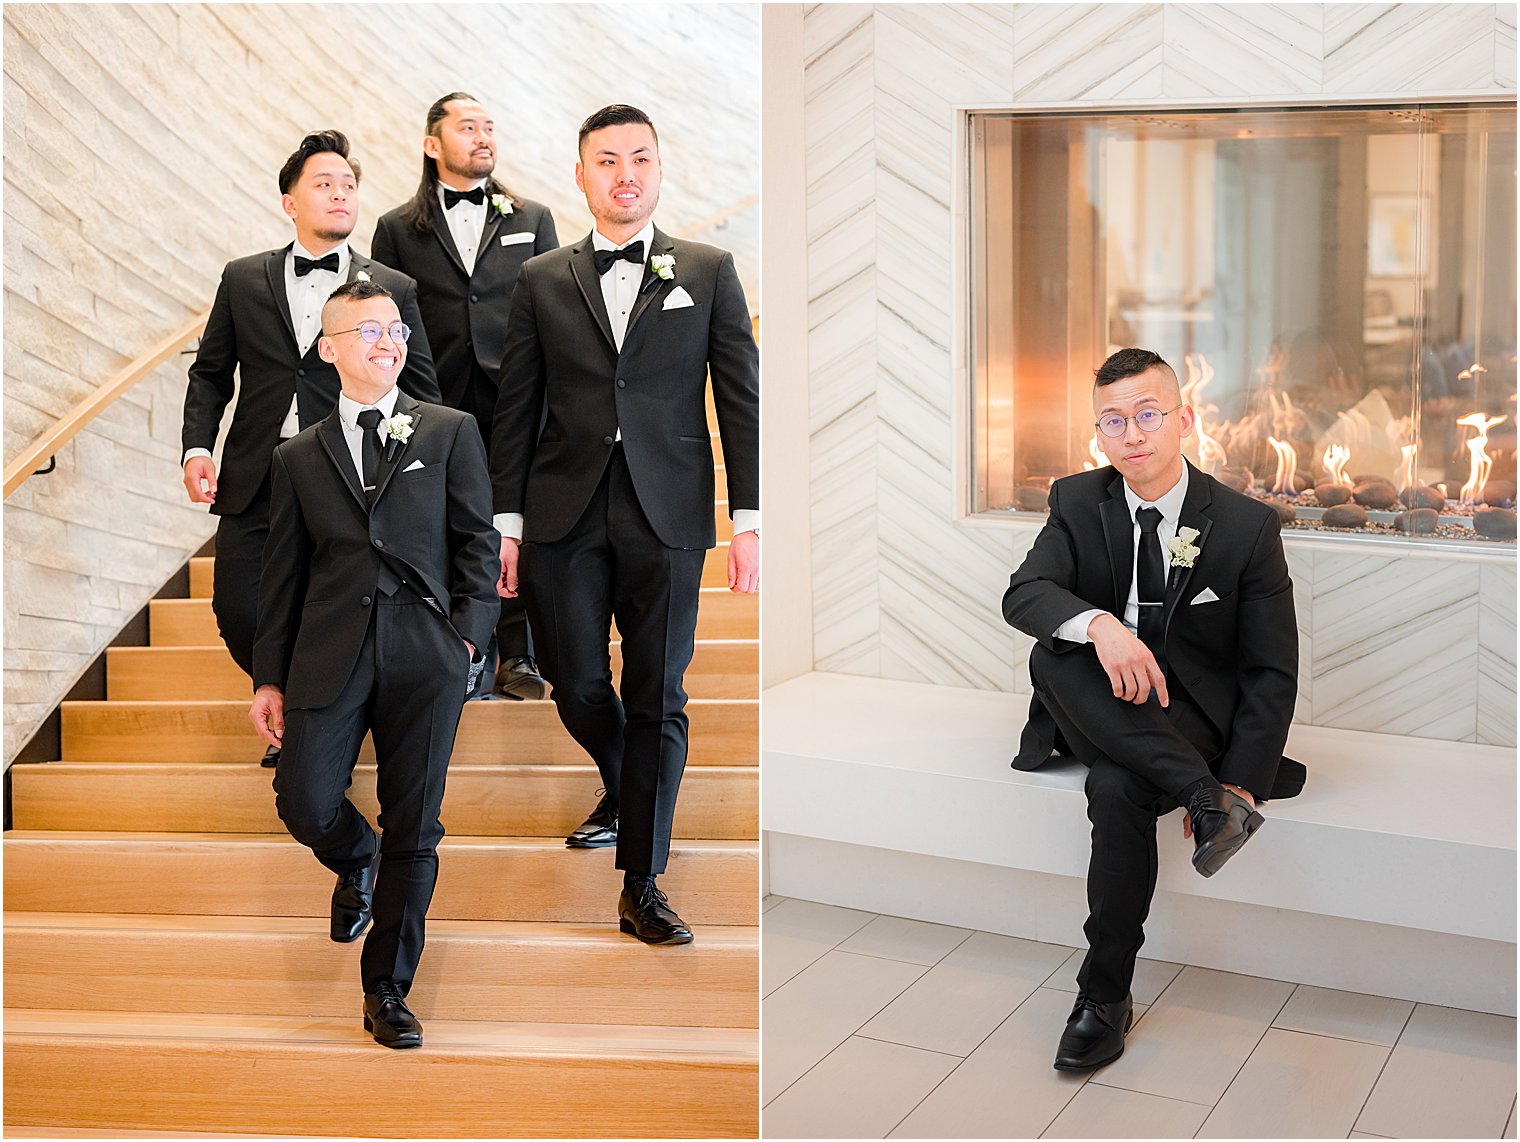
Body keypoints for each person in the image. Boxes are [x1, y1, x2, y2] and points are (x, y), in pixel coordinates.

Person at [491, 104, 759, 942]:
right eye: (606, 161)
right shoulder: (541, 279)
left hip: (668, 511)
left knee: (659, 694)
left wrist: (748, 516)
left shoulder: (708, 269)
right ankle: (626, 776)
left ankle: (642, 882)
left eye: (639, 157)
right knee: (574, 682)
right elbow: (517, 406)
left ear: (659, 168)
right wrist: (506, 521)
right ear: (581, 176)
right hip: (562, 511)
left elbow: (741, 399)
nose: (624, 174)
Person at [1002, 347, 1303, 1071]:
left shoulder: (1243, 526)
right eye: (1114, 421)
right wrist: (1104, 628)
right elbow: (1024, 594)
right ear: (1099, 433)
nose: (1132, 434)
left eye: (1146, 415)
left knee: (1115, 785)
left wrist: (1244, 778)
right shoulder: (1077, 501)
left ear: (1183, 419)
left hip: (1192, 715)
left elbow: (1270, 671)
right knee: (1053, 653)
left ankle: (1102, 995)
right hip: (1101, 698)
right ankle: (1201, 802)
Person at [248, 280, 499, 1049]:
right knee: (304, 801)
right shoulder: (297, 456)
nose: (387, 342)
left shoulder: (450, 430)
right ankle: (354, 857)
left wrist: (467, 639)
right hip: (329, 654)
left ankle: (387, 988)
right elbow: (284, 576)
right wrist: (269, 675)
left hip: (427, 652)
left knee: (415, 823)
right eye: (367, 331)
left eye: (394, 330)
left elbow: (477, 545)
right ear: (329, 350)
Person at [182, 130, 439, 768]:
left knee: (333, 606)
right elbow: (211, 372)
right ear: (289, 202)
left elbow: (423, 386)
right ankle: (302, 707)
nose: (340, 195)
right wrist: (196, 447)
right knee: (240, 610)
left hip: (349, 476)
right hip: (256, 474)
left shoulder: (391, 286)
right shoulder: (243, 278)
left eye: (348, 185)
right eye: (323, 184)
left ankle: (318, 729)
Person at [371, 92, 559, 702]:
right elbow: (388, 318)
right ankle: (462, 650)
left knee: (513, 516)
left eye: (489, 126)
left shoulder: (532, 218)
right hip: (435, 397)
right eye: (468, 126)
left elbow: (555, 311)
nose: (483, 136)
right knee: (450, 521)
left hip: (518, 395)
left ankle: (519, 653)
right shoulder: (397, 229)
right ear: (433, 144)